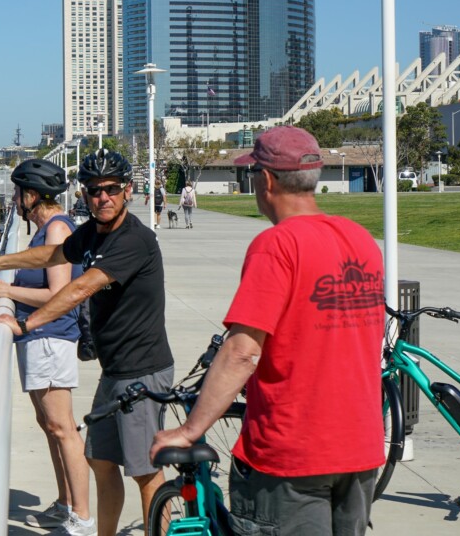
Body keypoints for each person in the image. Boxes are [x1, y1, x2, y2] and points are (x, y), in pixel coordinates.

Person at [151, 126, 386, 536]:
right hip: (360, 448)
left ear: (267, 180)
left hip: (292, 455)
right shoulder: (361, 240)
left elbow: (243, 351)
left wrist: (191, 430)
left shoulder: (277, 245)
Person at [0, 149, 173, 536]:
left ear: (127, 191)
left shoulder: (133, 240)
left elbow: (78, 289)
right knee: (102, 462)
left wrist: (25, 327)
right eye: (94, 191)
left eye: (111, 189)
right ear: (84, 194)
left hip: (143, 368)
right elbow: (52, 254)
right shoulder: (92, 232)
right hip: (115, 369)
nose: (103, 198)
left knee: (144, 472)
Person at [0, 159, 94, 535]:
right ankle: (65, 503)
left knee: (63, 428)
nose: (12, 200)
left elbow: (57, 294)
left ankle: (81, 518)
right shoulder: (48, 228)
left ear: (31, 195)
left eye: (16, 193)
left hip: (50, 338)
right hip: (39, 339)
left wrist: (6, 290)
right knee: (50, 426)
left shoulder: (57, 229)